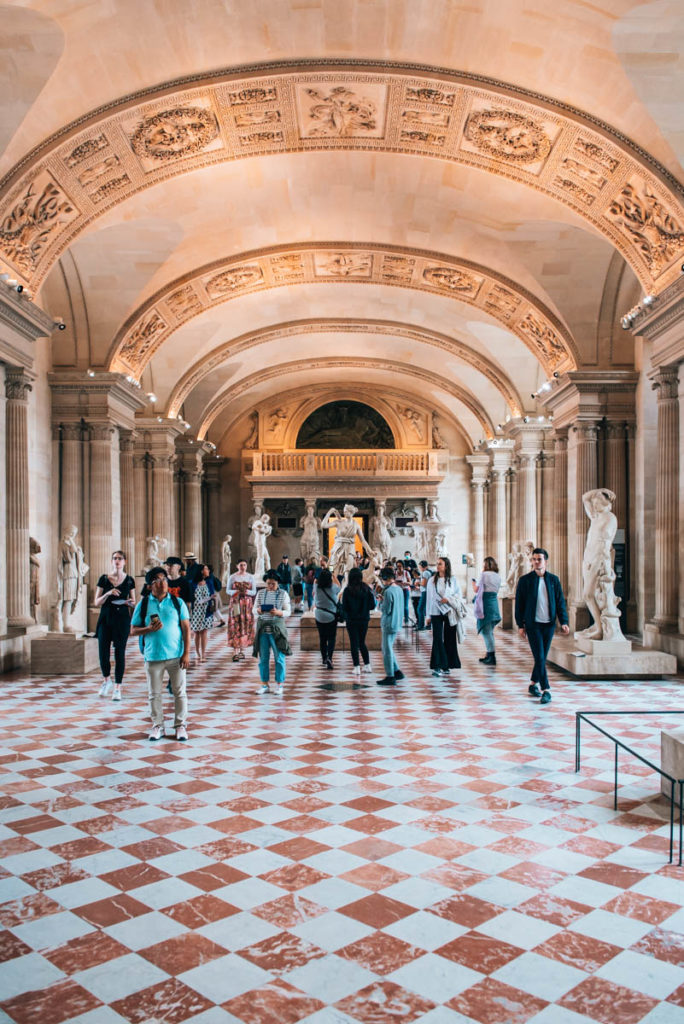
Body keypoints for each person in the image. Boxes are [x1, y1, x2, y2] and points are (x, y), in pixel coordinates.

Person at [131, 566, 191, 741]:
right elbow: (133, 630)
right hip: (153, 656)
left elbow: (186, 629)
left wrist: (186, 653)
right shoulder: (143, 605)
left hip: (176, 655)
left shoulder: (177, 602)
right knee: (154, 693)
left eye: (164, 579)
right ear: (150, 585)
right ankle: (158, 726)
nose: (162, 583)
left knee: (180, 692)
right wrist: (148, 629)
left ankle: (180, 725)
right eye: (157, 580)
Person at [514, 547, 569, 705]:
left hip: (549, 624)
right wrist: (520, 624)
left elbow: (560, 602)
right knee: (539, 656)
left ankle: (533, 684)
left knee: (541, 657)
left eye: (539, 559)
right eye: (534, 559)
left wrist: (563, 621)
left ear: (546, 561)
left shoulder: (553, 580)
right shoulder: (525, 580)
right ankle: (546, 689)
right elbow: (520, 604)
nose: (536, 562)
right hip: (533, 624)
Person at [94, 551, 136, 700]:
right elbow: (96, 602)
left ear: (124, 561)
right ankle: (107, 680)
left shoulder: (130, 580)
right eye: (114, 558)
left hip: (122, 620)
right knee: (103, 653)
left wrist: (127, 602)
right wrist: (107, 594)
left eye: (120, 559)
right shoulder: (104, 579)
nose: (117, 561)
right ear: (111, 561)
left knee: (120, 653)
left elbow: (134, 602)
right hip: (105, 619)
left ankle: (118, 687)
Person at [253, 569, 291, 694]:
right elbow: (254, 609)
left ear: (278, 583)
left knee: (279, 658)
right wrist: (258, 611)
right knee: (263, 658)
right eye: (268, 583)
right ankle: (265, 684)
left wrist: (278, 612)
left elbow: (288, 611)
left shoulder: (283, 594)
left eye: (273, 584)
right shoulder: (261, 594)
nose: (270, 586)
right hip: (263, 630)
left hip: (276, 630)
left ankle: (279, 685)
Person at [425, 556, 462, 677]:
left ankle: (447, 665)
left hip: (449, 611)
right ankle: (437, 665)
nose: (438, 566)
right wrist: (428, 615)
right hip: (436, 611)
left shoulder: (452, 579)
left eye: (440, 564)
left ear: (446, 566)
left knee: (449, 637)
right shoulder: (431, 580)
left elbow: (458, 595)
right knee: (437, 637)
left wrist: (449, 599)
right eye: (437, 564)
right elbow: (429, 598)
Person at [321, 505, 374, 582]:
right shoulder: (339, 522)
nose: (344, 512)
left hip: (350, 548)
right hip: (337, 548)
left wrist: (370, 550)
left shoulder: (356, 525)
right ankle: (331, 585)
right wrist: (329, 512)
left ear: (351, 512)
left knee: (348, 571)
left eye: (346, 511)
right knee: (332, 568)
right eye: (344, 511)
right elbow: (323, 525)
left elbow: (362, 540)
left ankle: (345, 589)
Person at [342, 567, 376, 676]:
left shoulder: (347, 590)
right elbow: (372, 605)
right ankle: (367, 665)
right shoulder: (366, 589)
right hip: (364, 620)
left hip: (352, 620)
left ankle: (356, 667)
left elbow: (344, 607)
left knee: (354, 643)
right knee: (362, 642)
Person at [376, 565, 405, 686]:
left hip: (389, 623)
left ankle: (390, 676)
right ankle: (397, 671)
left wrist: (380, 601)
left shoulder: (388, 592)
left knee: (386, 650)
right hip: (397, 621)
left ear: (386, 578)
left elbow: (386, 610)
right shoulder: (398, 589)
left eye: (383, 579)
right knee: (389, 648)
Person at [473, 556, 502, 665]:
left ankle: (491, 656)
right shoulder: (498, 576)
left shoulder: (483, 575)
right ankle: (489, 654)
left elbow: (476, 589)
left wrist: (472, 583)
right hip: (494, 603)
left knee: (486, 632)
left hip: (485, 605)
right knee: (489, 631)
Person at [227, 560, 256, 661]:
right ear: (237, 566)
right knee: (235, 623)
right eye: (241, 565)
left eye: (244, 565)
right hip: (235, 602)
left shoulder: (250, 577)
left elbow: (254, 592)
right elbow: (228, 590)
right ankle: (235, 650)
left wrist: (246, 591)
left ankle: (242, 649)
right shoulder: (232, 577)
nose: (243, 567)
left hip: (246, 603)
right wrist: (237, 591)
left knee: (245, 624)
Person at [313, 567, 340, 669]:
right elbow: (339, 586)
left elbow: (315, 581)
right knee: (331, 638)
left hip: (319, 615)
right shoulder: (333, 587)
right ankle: (330, 657)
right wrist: (333, 575)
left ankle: (324, 658)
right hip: (331, 616)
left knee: (322, 638)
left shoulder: (317, 587)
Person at [189, 563, 214, 664]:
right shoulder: (192, 584)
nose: (208, 571)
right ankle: (197, 652)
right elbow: (193, 599)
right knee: (197, 632)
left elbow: (212, 595)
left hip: (206, 611)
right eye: (206, 569)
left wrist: (210, 599)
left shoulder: (209, 582)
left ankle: (203, 653)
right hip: (196, 611)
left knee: (204, 632)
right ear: (201, 571)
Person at [415, 560, 432, 630]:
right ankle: (428, 625)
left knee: (420, 609)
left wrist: (418, 583)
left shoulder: (425, 573)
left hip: (425, 592)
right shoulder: (428, 572)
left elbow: (424, 584)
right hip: (426, 592)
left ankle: (421, 626)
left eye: (420, 567)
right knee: (426, 609)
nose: (419, 568)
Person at [394, 559, 412, 625]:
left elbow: (410, 582)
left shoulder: (406, 573)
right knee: (398, 605)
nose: (399, 568)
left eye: (400, 566)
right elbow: (392, 581)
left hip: (405, 590)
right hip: (397, 590)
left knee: (405, 606)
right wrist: (396, 582)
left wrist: (405, 583)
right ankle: (398, 619)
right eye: (398, 566)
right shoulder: (394, 573)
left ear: (403, 566)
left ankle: (406, 619)